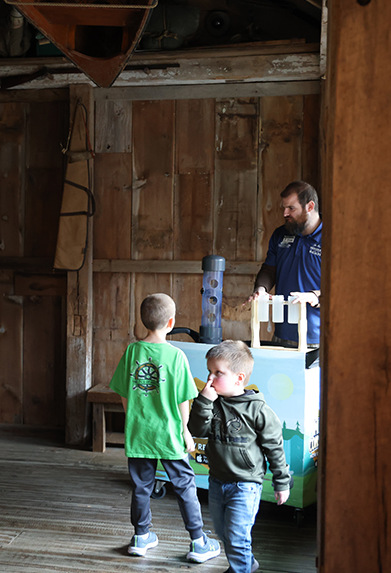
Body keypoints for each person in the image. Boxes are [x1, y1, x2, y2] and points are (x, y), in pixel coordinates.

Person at [109, 293, 221, 563]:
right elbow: (184, 398)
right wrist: (185, 430)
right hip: (169, 434)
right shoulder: (176, 355)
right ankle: (198, 542)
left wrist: (132, 417)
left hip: (139, 433)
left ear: (143, 321)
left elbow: (124, 392)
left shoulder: (132, 351)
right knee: (185, 486)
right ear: (171, 322)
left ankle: (140, 537)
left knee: (141, 487)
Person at [188, 340, 291, 573]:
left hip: (245, 485)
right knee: (225, 533)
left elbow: (275, 448)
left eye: (218, 373)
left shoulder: (258, 410)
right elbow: (197, 430)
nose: (210, 379)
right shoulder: (212, 402)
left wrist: (281, 482)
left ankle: (240, 569)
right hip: (216, 481)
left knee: (236, 536)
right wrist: (203, 401)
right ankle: (247, 564)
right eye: (209, 372)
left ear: (239, 378)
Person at [247, 180, 322, 348]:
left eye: (291, 208)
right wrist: (261, 289)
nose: (285, 213)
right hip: (281, 336)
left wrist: (314, 296)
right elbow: (269, 269)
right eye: (284, 208)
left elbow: (345, 287)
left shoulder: (332, 237)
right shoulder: (280, 234)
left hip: (318, 340)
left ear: (310, 206)